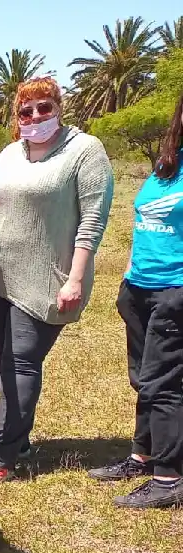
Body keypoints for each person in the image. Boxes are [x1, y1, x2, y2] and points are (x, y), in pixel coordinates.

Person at [0, 77, 114, 486]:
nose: (35, 116)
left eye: (44, 107)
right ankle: (21, 438)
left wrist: (76, 278)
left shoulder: (85, 150)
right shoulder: (10, 153)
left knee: (21, 361)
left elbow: (93, 221)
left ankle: (2, 455)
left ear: (59, 107)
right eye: (26, 111)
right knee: (8, 357)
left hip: (49, 279)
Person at [87, 88, 183, 509]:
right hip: (140, 287)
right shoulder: (167, 166)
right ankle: (143, 457)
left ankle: (168, 479)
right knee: (144, 380)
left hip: (174, 291)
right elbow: (144, 222)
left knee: (164, 384)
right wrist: (128, 276)